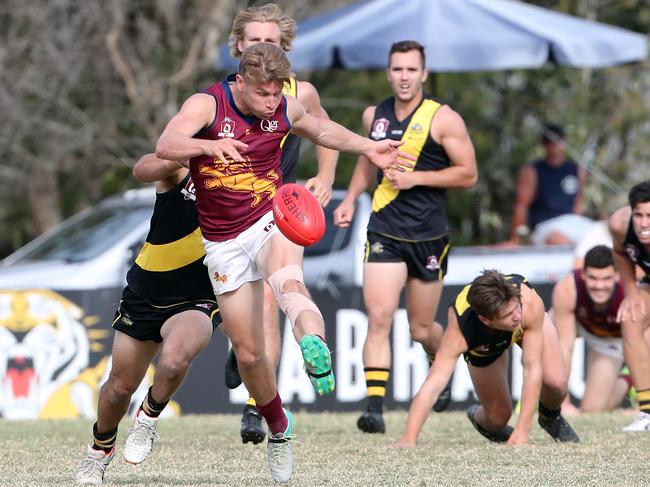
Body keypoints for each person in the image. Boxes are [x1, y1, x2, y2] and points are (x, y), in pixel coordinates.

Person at [154, 43, 414, 483]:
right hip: (221, 243)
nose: (271, 102)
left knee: (290, 286)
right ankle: (278, 429)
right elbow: (166, 143)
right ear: (241, 82)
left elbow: (324, 131)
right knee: (251, 351)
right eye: (263, 94)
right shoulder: (208, 103)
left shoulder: (285, 108)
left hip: (269, 220)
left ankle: (316, 348)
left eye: (277, 94)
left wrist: (370, 148)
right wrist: (208, 146)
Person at [332, 40, 478, 434]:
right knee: (379, 317)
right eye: (397, 69)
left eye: (411, 70)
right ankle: (374, 408)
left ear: (424, 74)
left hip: (429, 235)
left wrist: (417, 178)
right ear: (388, 72)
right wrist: (351, 199)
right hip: (384, 228)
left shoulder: (443, 119)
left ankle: (440, 357)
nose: (403, 77)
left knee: (420, 328)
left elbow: (468, 173)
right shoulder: (373, 116)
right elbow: (368, 159)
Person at [221, 2, 340, 446]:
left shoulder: (298, 93)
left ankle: (257, 409)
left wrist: (325, 179)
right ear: (238, 46)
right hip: (224, 217)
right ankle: (240, 349)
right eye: (254, 40)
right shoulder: (216, 96)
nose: (262, 46)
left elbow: (325, 131)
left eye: (270, 40)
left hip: (277, 210)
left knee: (275, 300)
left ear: (283, 46)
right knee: (240, 309)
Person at [75, 154, 221, 484]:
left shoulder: (250, 183)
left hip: (199, 297)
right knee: (118, 389)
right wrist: (186, 152)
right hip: (146, 292)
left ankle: (149, 415)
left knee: (173, 361)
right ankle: (100, 450)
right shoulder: (184, 165)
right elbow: (142, 169)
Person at [390, 270, 580, 448]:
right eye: (507, 315)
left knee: (557, 382)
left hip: (531, 327)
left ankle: (550, 417)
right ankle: (478, 416)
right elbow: (433, 384)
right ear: (486, 320)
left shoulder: (527, 304)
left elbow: (532, 368)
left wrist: (522, 431)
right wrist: (408, 439)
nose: (517, 317)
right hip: (485, 344)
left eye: (516, 307)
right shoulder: (462, 331)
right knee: (498, 419)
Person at [551, 245, 632, 414]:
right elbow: (565, 348)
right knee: (546, 330)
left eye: (606, 278)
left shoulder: (630, 293)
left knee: (592, 409)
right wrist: (562, 405)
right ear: (583, 274)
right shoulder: (568, 287)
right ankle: (544, 399)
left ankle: (628, 380)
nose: (599, 286)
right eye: (593, 278)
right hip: (578, 324)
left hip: (609, 338)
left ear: (617, 276)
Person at [509, 123, 593, 246]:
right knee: (560, 240)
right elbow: (521, 205)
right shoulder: (532, 171)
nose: (554, 145)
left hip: (572, 222)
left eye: (557, 140)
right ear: (543, 144)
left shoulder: (577, 170)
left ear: (565, 141)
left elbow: (578, 203)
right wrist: (515, 240)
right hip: (544, 226)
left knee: (601, 235)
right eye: (549, 141)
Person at [609, 180, 650, 431]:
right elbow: (620, 253)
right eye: (639, 215)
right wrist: (632, 290)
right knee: (631, 317)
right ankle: (647, 412)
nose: (644, 224)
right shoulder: (619, 225)